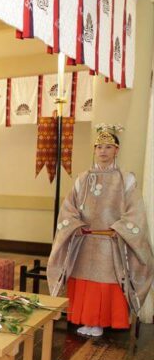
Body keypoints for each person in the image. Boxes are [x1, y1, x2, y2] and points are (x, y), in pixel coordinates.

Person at [48, 125, 153, 337]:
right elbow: (68, 208)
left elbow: (135, 212)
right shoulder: (82, 179)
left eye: (108, 147)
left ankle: (102, 321)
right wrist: (75, 225)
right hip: (85, 240)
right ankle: (84, 319)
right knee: (84, 280)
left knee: (104, 282)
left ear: (117, 150)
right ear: (94, 150)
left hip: (110, 241)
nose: (103, 151)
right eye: (99, 147)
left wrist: (119, 229)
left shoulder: (126, 179)